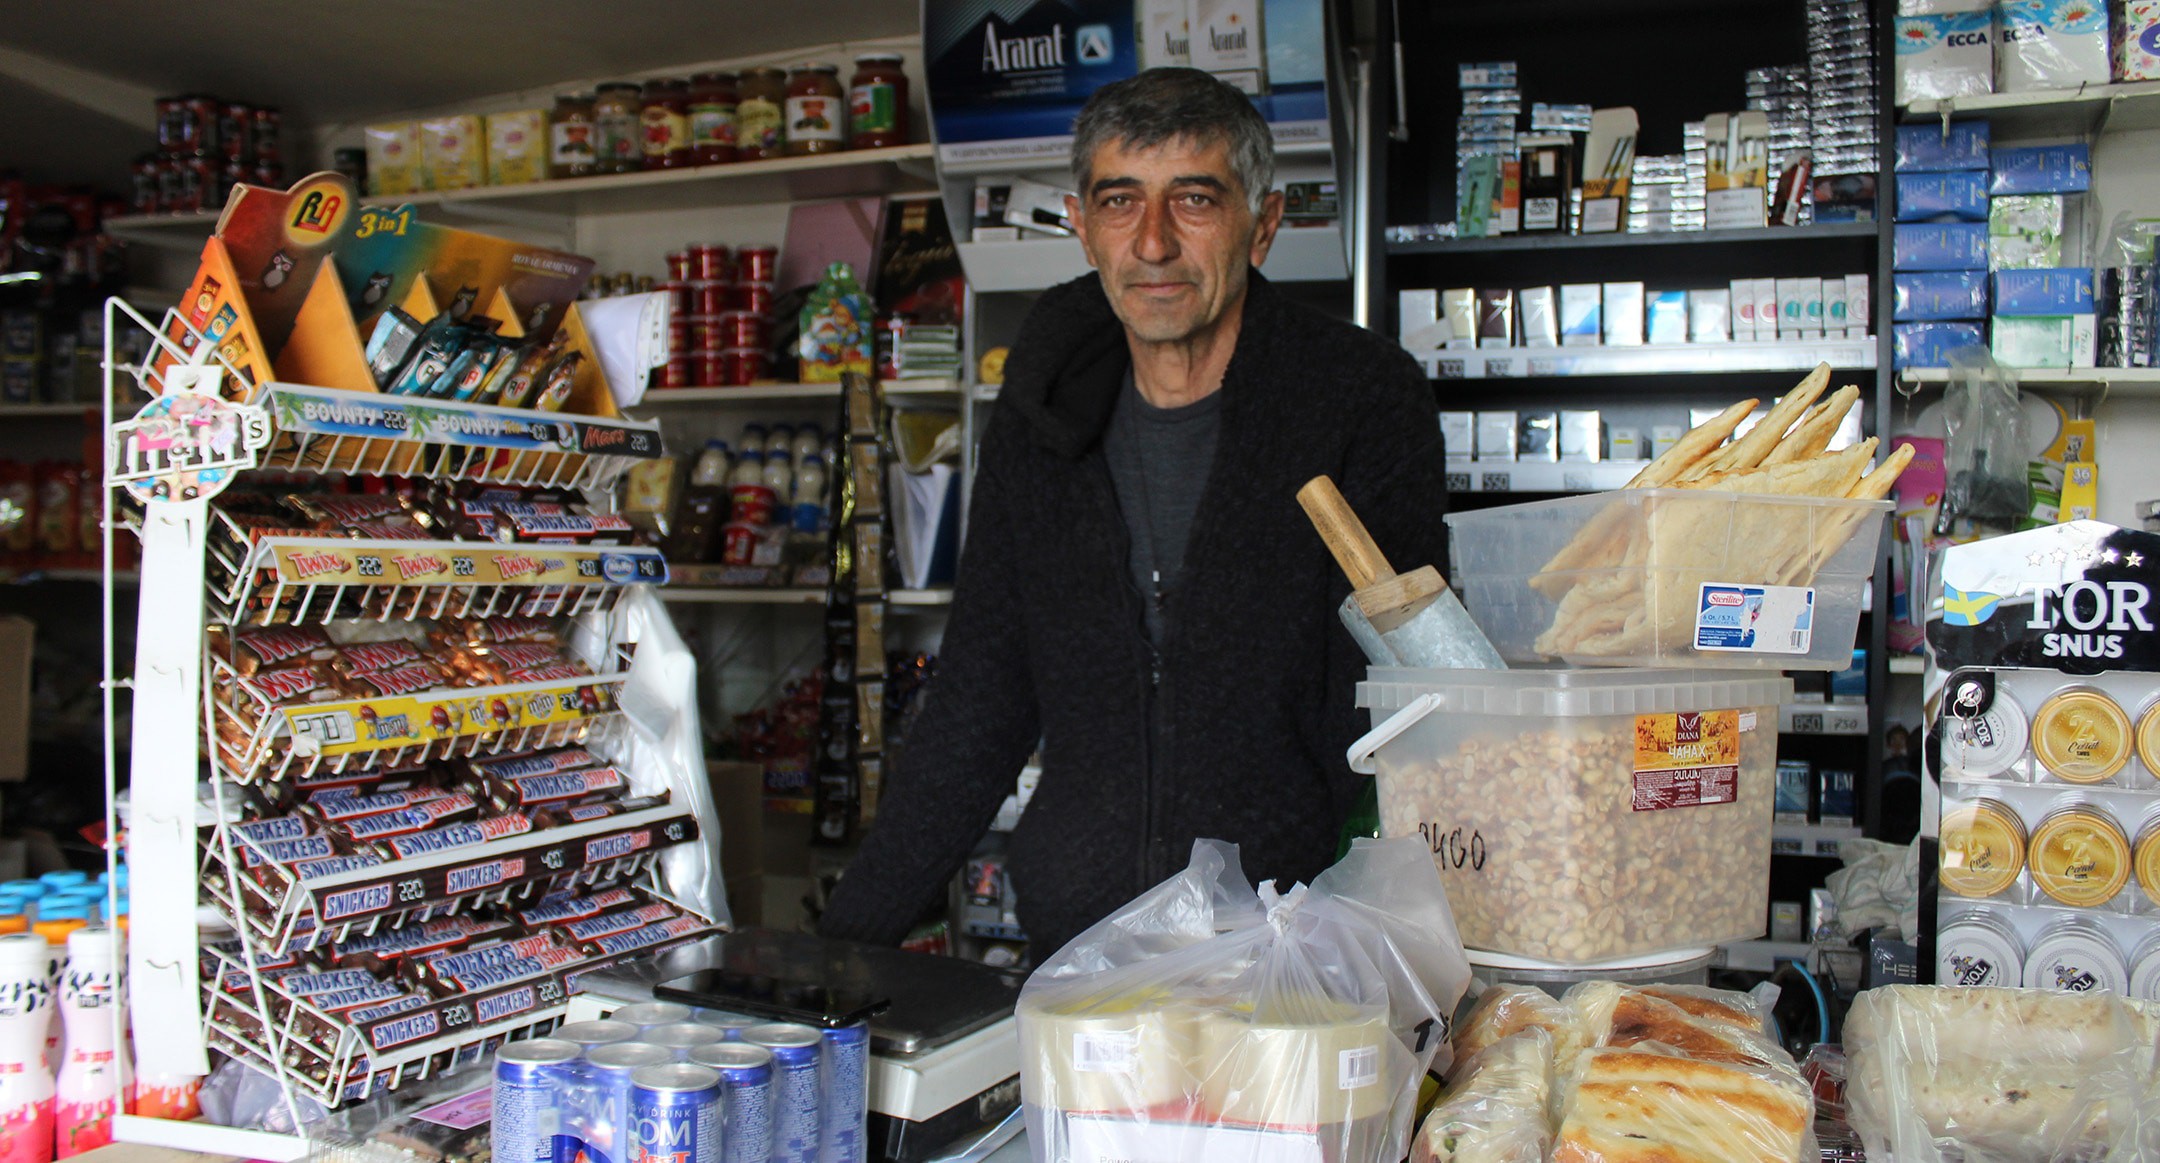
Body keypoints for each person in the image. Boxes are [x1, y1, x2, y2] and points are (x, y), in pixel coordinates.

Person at [817, 68, 1448, 956]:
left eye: (1194, 199)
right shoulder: (1038, 418)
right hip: (1077, 950)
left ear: (1264, 224)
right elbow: (976, 705)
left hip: (1292, 949)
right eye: (1121, 202)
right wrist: (841, 954)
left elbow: (1406, 708)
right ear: (1082, 226)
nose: (1153, 242)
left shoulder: (1361, 401)